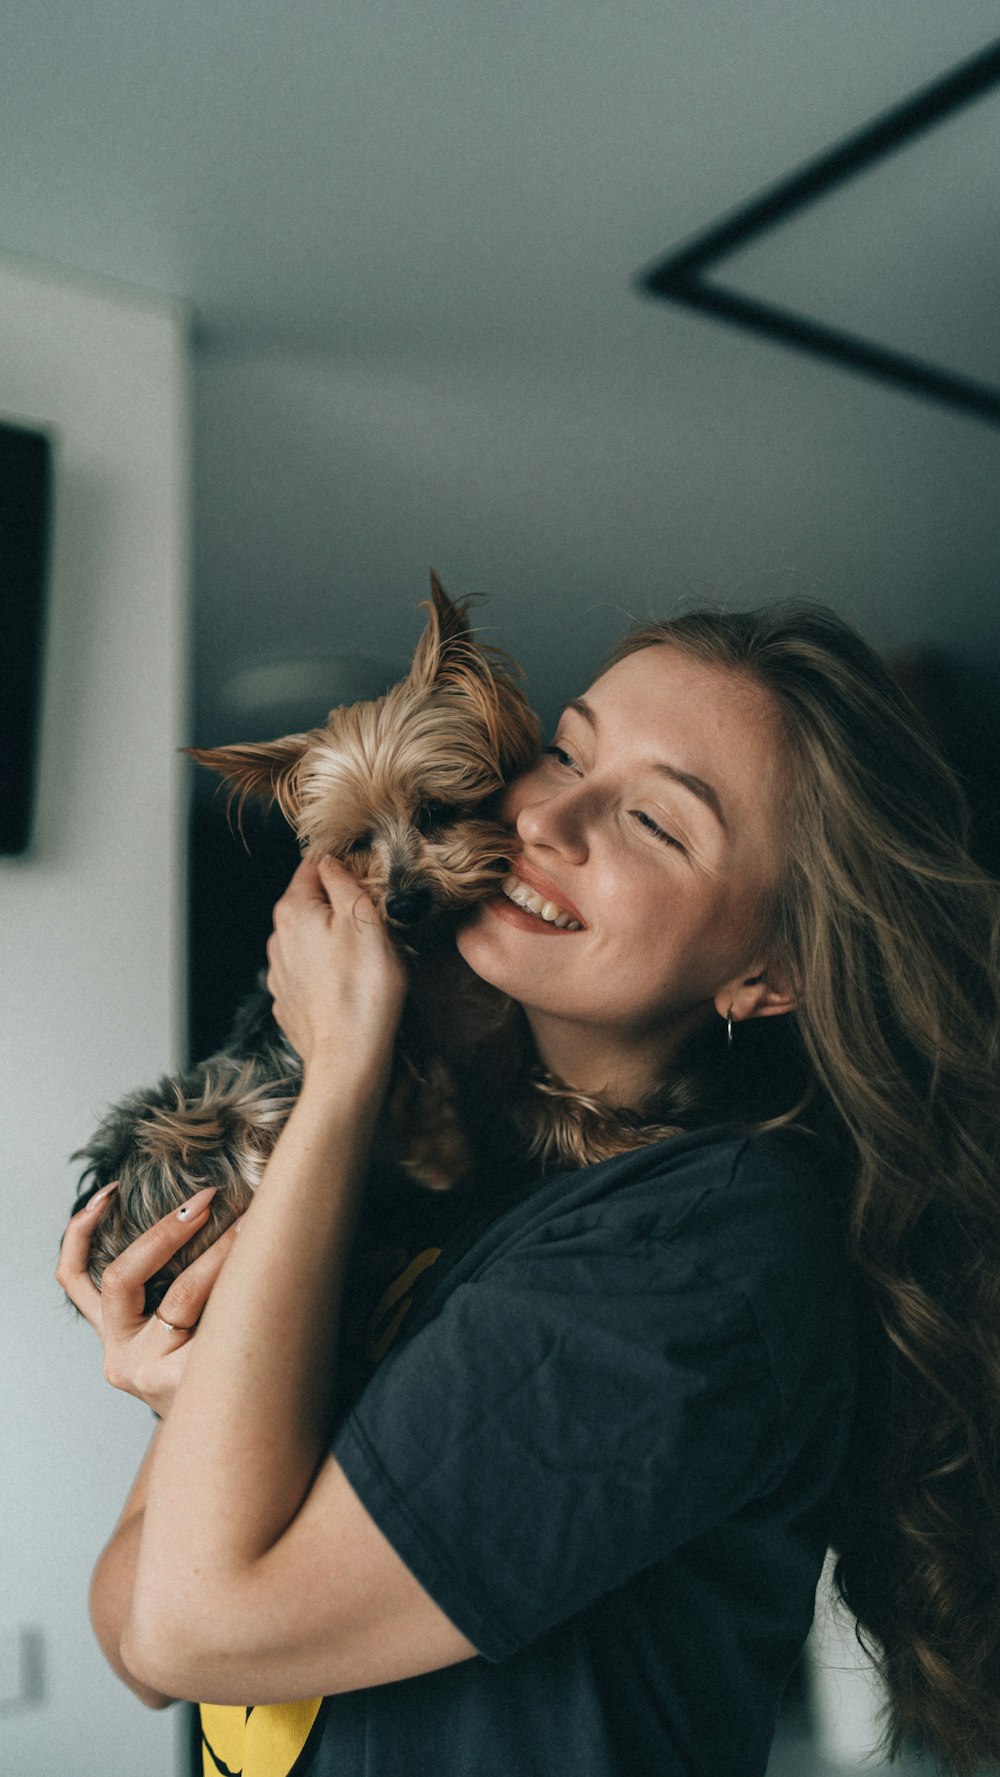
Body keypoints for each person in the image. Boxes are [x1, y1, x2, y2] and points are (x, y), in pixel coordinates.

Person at [58, 601, 1000, 1777]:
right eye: (565, 747)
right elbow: (136, 1641)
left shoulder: (701, 1245)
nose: (544, 812)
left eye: (654, 820)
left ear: (773, 971)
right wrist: (198, 1392)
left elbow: (190, 1625)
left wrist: (344, 1064)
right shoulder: (438, 1171)